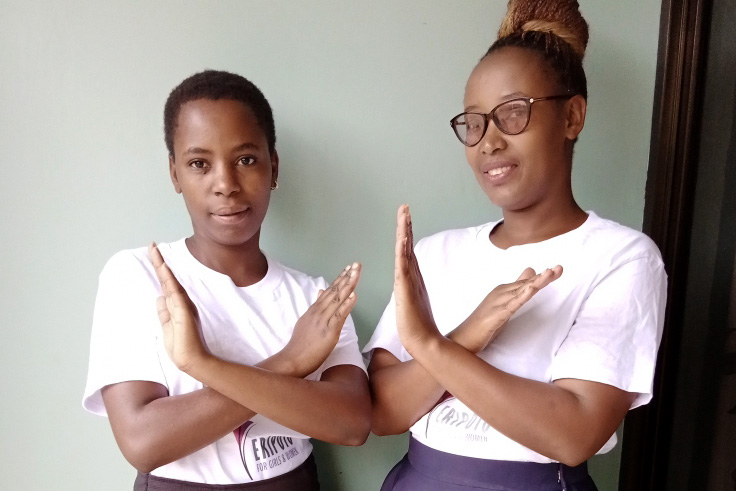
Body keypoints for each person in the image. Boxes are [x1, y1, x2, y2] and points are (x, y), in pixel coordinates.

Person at [364, 1, 667, 490]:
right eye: (474, 122)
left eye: (513, 114)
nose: (488, 141)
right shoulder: (436, 255)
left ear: (572, 116)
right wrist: (466, 336)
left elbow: (574, 433)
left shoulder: (621, 258)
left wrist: (428, 347)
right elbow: (381, 411)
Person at [83, 70, 371, 490]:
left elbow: (352, 424)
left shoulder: (315, 299)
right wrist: (289, 363)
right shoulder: (138, 276)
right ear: (175, 174)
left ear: (273, 168)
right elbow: (143, 441)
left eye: (246, 160)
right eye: (200, 164)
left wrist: (203, 366)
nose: (226, 185)